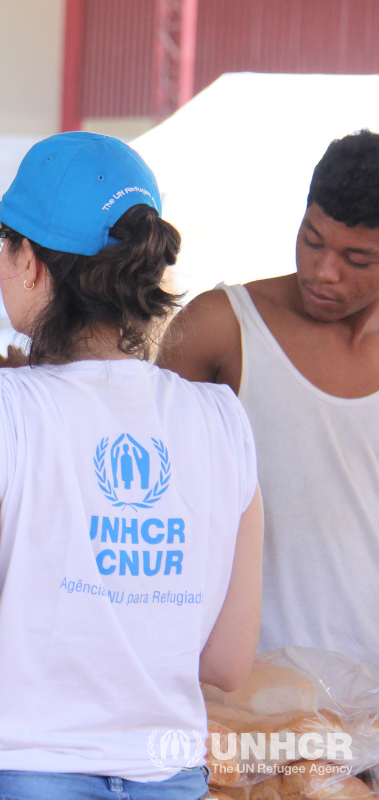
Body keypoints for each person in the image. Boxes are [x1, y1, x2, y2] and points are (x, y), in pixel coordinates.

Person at [0, 132, 262, 800]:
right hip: (169, 779)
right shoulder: (223, 422)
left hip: (17, 772)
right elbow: (228, 662)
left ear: (29, 262)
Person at [156, 129, 379, 667]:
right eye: (311, 238)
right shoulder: (221, 327)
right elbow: (148, 500)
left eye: (358, 259)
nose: (325, 271)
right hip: (248, 691)